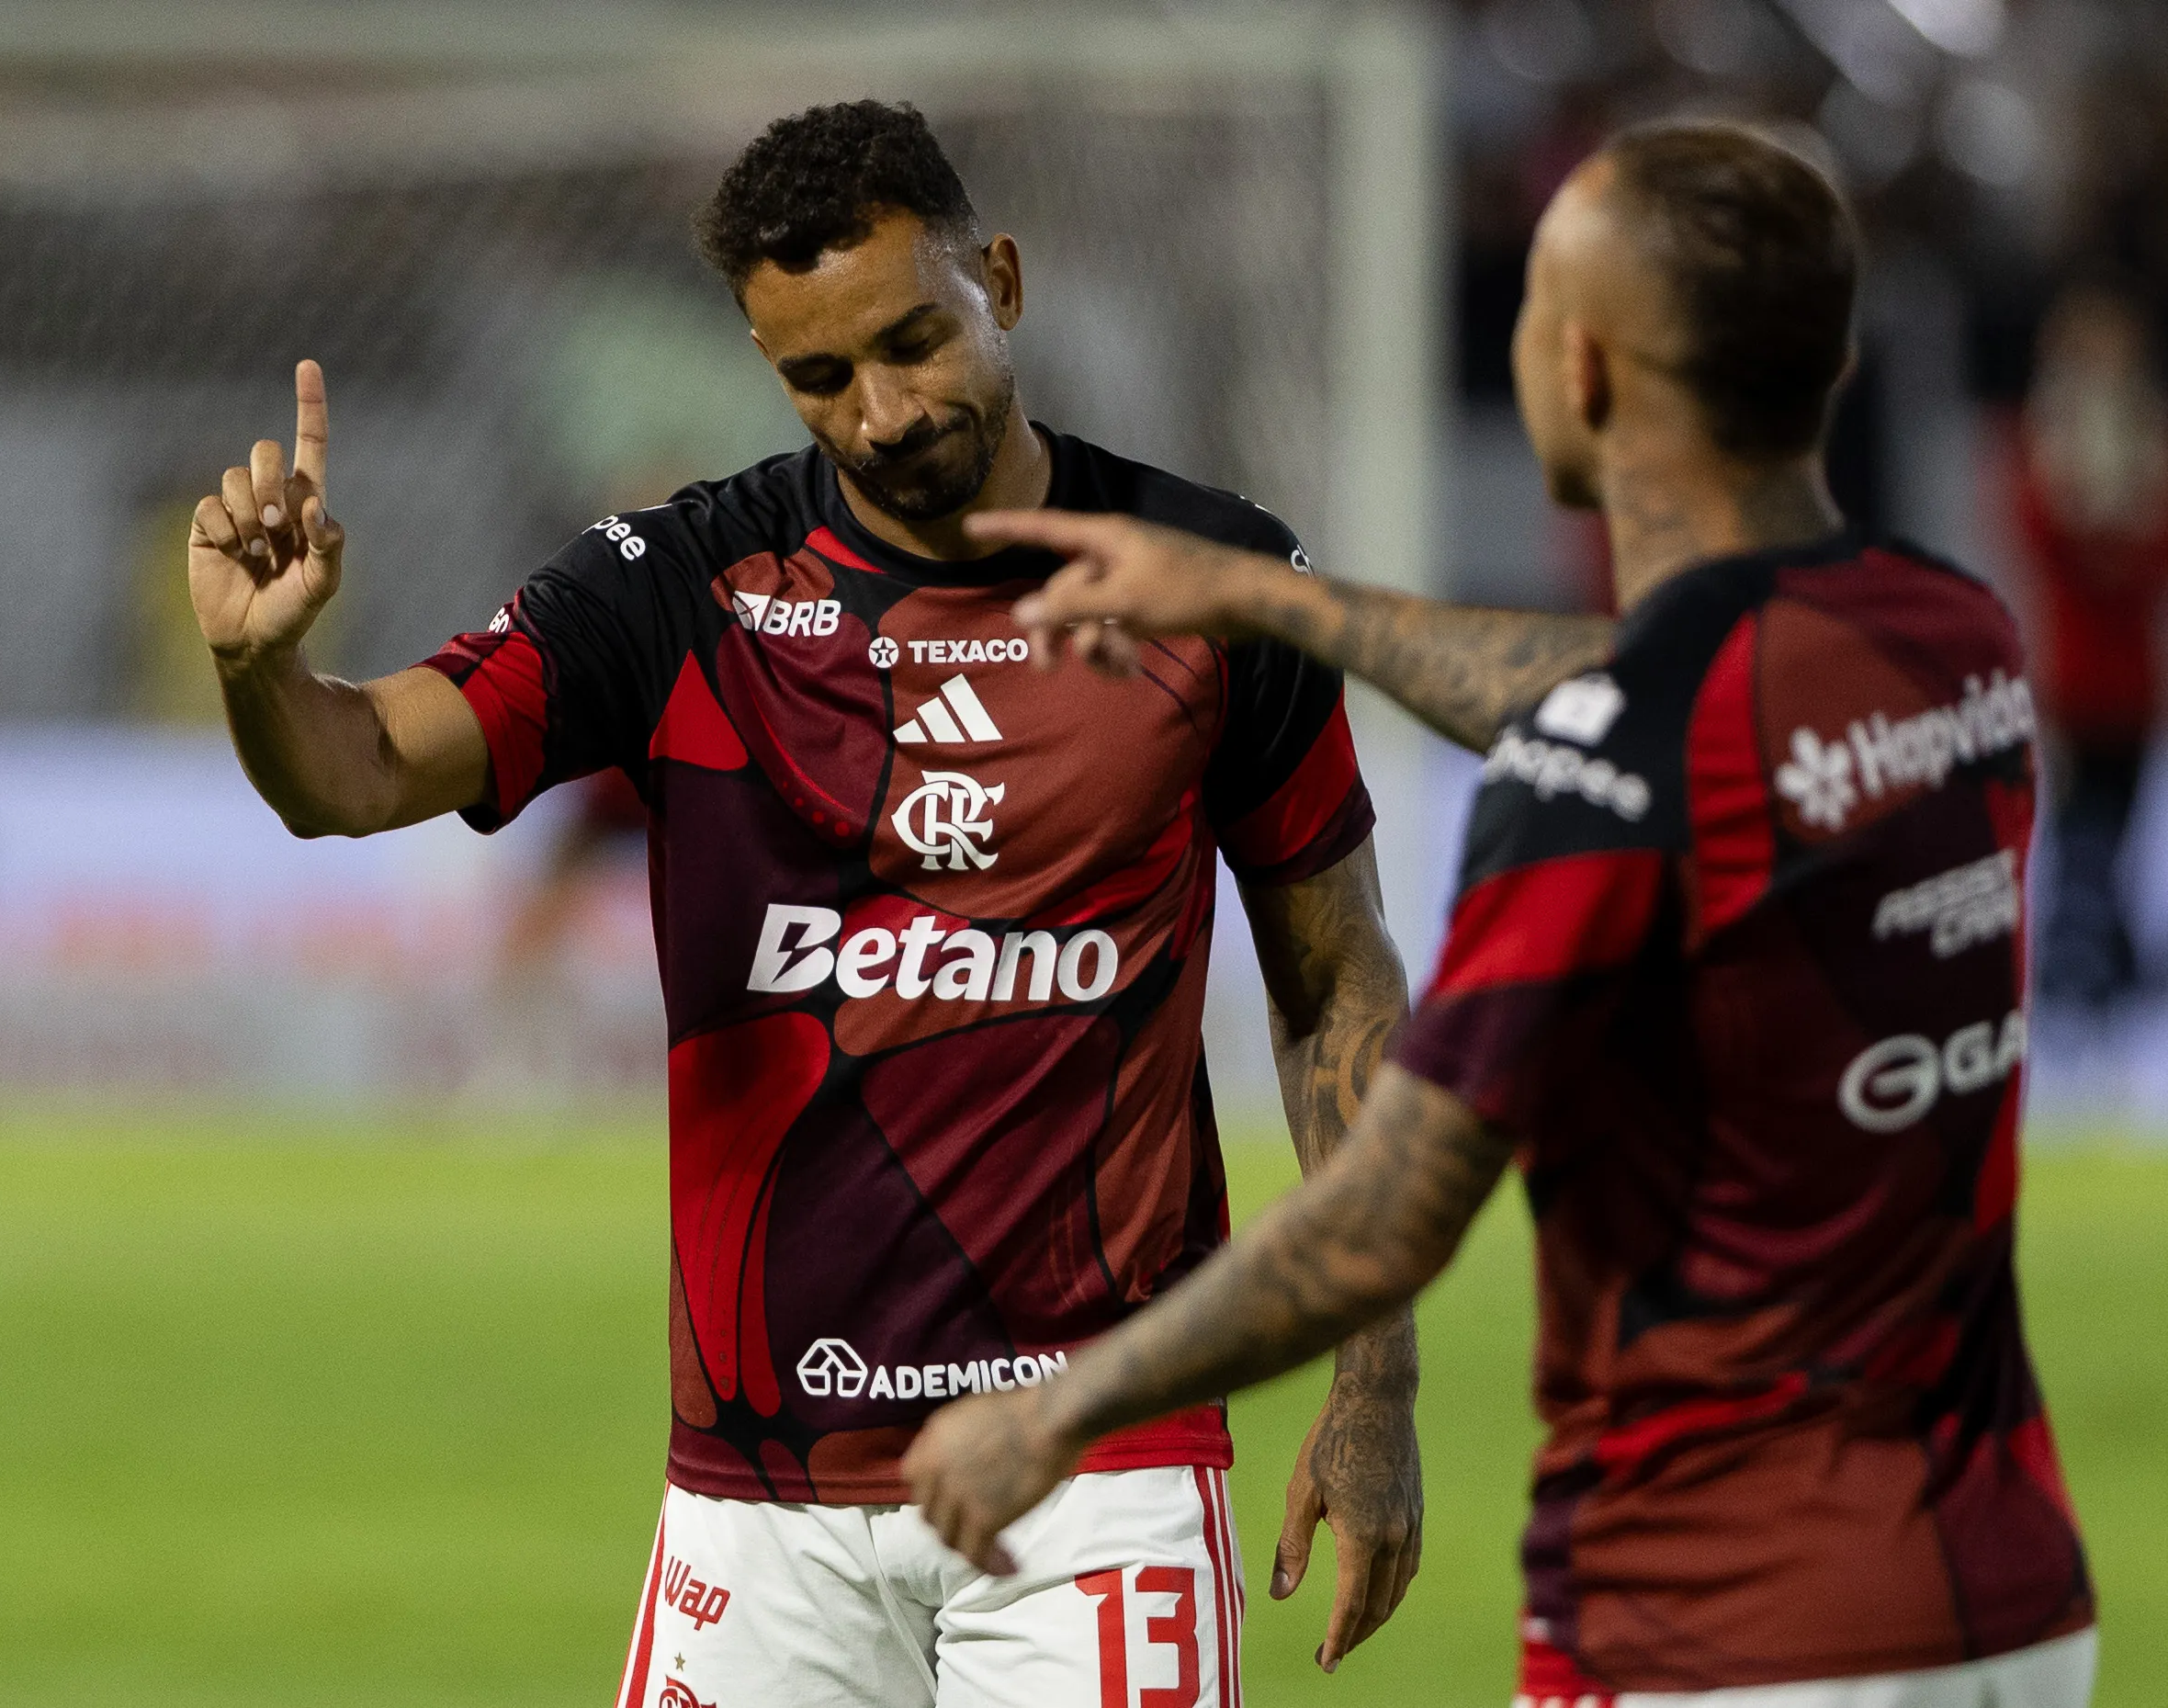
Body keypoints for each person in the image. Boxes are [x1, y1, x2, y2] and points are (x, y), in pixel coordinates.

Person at [186, 101, 1421, 1706]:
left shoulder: (1219, 587)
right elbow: (350, 771)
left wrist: (1373, 1379)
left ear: (1003, 280)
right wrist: (255, 664)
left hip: (1096, 1467)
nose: (885, 410)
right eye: (819, 377)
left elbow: (1335, 979)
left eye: (914, 339)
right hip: (759, 1497)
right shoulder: (673, 586)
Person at [906, 120, 2099, 1707]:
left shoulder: (1600, 777)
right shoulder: (1947, 639)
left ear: (1582, 370)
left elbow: (1386, 1212)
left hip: (1719, 1623)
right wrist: (1271, 601)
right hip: (2004, 1599)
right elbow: (1632, 688)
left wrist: (1046, 1414)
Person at [2007, 283, 2168, 1012]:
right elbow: (2040, 539)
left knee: (2125, 822)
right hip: (2072, 675)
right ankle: (2078, 952)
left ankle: (2111, 944)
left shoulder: (2145, 440)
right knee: (2077, 832)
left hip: (2129, 678)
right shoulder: (2048, 439)